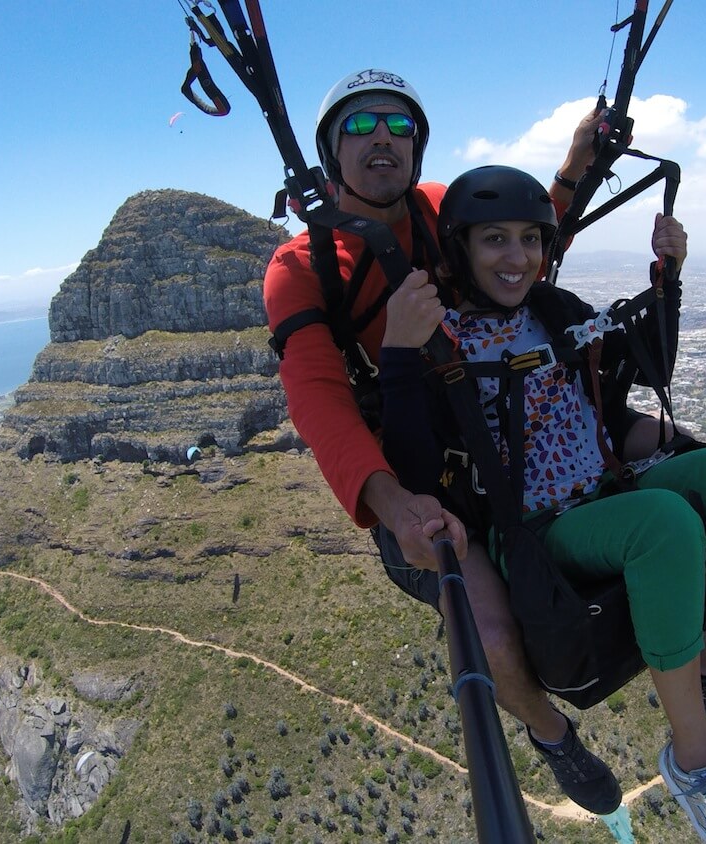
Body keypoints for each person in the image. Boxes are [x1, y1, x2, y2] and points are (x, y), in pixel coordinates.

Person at [377, 165, 706, 843]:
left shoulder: (555, 311)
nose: (518, 257)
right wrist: (401, 353)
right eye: (495, 239)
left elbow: (636, 375)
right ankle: (695, 762)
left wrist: (668, 280)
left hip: (607, 487)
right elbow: (411, 462)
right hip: (538, 526)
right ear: (461, 247)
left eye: (531, 239)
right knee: (665, 524)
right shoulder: (438, 337)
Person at [261, 69, 626, 813]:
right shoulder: (300, 268)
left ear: (419, 147)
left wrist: (576, 165)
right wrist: (394, 506)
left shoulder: (436, 212)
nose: (382, 139)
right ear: (332, 152)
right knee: (489, 629)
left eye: (398, 126)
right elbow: (318, 396)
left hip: (495, 435)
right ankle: (553, 734)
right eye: (359, 128)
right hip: (415, 475)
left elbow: (516, 246)